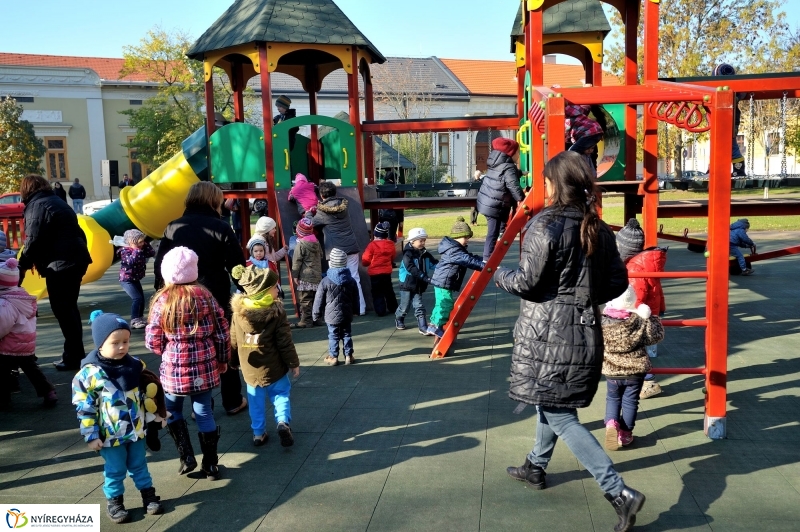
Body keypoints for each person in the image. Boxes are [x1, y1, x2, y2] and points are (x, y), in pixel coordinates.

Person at [495, 151, 645, 532]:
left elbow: (528, 282)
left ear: (555, 185)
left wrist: (500, 275)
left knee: (559, 411)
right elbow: (617, 282)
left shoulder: (545, 225)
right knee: (551, 400)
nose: (543, 187)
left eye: (546, 181)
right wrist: (583, 297)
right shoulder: (598, 227)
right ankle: (535, 465)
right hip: (583, 331)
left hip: (549, 333)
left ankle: (618, 491)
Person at [153, 181, 247, 416]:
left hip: (179, 297)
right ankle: (232, 400)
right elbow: (236, 265)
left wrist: (162, 292)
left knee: (188, 346)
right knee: (222, 342)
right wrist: (245, 289)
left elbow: (160, 263)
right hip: (213, 293)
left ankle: (200, 403)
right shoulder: (221, 227)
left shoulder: (173, 226)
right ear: (214, 200)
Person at [147, 247, 230, 481]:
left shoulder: (163, 300)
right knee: (203, 411)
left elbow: (153, 339)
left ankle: (186, 456)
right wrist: (223, 359)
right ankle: (210, 464)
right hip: (205, 367)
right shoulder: (206, 296)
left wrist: (164, 351)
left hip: (174, 369)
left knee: (172, 409)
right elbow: (222, 332)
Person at [73, 313, 164, 523]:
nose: (122, 347)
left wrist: (155, 414)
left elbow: (147, 393)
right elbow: (84, 408)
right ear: (100, 343)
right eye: (115, 343)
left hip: (136, 431)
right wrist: (91, 435)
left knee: (140, 464)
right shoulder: (90, 374)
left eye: (126, 341)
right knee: (115, 469)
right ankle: (115, 501)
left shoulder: (135, 365)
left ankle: (148, 495)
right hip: (110, 435)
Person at [18, 174, 92, 371]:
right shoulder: (56, 201)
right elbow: (77, 232)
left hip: (61, 263)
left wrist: (21, 266)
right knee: (70, 309)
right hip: (75, 259)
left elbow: (32, 240)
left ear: (26, 189)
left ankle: (73, 357)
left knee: (63, 310)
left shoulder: (37, 206)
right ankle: (75, 354)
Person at [230, 264, 299, 447]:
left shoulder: (238, 314)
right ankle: (282, 421)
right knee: (281, 394)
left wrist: (233, 361)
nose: (278, 289)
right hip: (274, 367)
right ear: (264, 292)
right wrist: (293, 363)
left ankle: (258, 433)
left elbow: (234, 340)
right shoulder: (277, 312)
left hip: (250, 370)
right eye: (275, 287)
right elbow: (284, 342)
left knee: (255, 402)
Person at [601, 286, 664, 451]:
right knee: (630, 401)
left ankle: (611, 423)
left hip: (612, 370)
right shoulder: (639, 320)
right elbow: (655, 337)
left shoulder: (603, 320)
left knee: (613, 398)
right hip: (635, 370)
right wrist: (650, 318)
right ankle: (625, 434)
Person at [616, 218, 668, 399]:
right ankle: (643, 379)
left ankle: (649, 381)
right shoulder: (642, 263)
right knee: (637, 350)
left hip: (640, 315)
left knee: (634, 350)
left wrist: (625, 312)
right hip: (648, 312)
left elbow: (637, 296)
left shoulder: (634, 269)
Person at [0, 258, 57, 409]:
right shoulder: (22, 296)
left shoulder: (5, 303)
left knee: (3, 372)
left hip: (9, 344)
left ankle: (3, 399)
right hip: (26, 341)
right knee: (32, 370)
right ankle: (48, 391)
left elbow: (3, 326)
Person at [312, 181, 366, 314]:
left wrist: (308, 213)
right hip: (351, 246)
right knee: (354, 277)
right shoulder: (344, 206)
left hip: (334, 250)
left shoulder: (322, 211)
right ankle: (361, 308)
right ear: (335, 193)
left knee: (335, 280)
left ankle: (340, 309)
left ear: (321, 195)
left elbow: (312, 223)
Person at [428, 218, 484, 338]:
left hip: (442, 280)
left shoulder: (455, 248)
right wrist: (483, 266)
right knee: (446, 304)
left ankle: (433, 324)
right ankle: (436, 326)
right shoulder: (454, 251)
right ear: (458, 237)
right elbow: (468, 260)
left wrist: (483, 260)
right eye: (466, 238)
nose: (467, 240)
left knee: (440, 303)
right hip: (443, 281)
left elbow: (470, 257)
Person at [477, 137, 525, 261]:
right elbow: (512, 184)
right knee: (492, 233)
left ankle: (501, 233)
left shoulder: (497, 164)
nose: (519, 155)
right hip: (493, 204)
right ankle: (486, 259)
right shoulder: (508, 167)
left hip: (488, 201)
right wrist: (521, 198)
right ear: (511, 154)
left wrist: (521, 173)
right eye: (518, 152)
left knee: (500, 221)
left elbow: (504, 175)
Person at [313, 248, 359, 366]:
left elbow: (319, 299)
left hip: (331, 314)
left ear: (331, 263)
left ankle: (333, 356)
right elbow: (356, 296)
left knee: (333, 335)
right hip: (346, 313)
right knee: (347, 334)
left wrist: (316, 314)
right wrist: (356, 310)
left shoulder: (325, 281)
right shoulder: (351, 280)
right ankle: (349, 356)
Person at [395, 227, 437, 335]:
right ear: (412, 241)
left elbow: (434, 263)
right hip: (407, 285)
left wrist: (444, 267)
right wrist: (425, 277)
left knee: (419, 305)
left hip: (418, 285)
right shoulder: (407, 255)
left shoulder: (425, 254)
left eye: (424, 240)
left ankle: (423, 327)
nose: (423, 243)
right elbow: (411, 269)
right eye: (420, 241)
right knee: (404, 307)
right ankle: (399, 317)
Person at [117, 229, 155, 329]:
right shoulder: (124, 251)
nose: (141, 244)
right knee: (137, 298)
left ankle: (140, 318)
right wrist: (136, 249)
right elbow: (131, 262)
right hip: (126, 279)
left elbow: (151, 253)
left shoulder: (142, 248)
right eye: (139, 242)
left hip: (135, 278)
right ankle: (134, 320)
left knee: (141, 298)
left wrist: (145, 245)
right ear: (131, 243)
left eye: (142, 241)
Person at [713, 64, 746, 177]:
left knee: (731, 145)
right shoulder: (734, 94)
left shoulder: (733, 94)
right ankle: (714, 168)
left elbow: (743, 92)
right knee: (719, 145)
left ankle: (739, 170)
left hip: (728, 123)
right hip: (724, 122)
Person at [290, 217, 322, 328]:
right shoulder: (316, 242)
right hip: (317, 276)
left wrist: (295, 275)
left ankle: (306, 321)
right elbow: (321, 255)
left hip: (305, 277)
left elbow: (296, 261)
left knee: (305, 299)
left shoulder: (301, 244)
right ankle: (317, 319)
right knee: (316, 298)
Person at [362, 221, 398, 317]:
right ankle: (393, 307)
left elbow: (366, 259)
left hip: (375, 273)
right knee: (389, 290)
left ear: (375, 234)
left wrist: (365, 263)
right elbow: (393, 256)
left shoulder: (372, 245)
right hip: (386, 271)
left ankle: (380, 310)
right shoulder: (390, 244)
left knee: (377, 292)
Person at [565, 104, 604, 172]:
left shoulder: (567, 119)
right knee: (585, 155)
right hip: (596, 131)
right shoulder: (579, 114)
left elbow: (565, 132)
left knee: (571, 153)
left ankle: (571, 172)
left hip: (588, 135)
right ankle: (590, 172)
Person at [378, 170, 404, 241]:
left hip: (383, 214)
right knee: (391, 236)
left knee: (383, 235)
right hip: (392, 215)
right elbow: (398, 205)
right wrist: (401, 219)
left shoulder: (381, 188)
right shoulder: (394, 188)